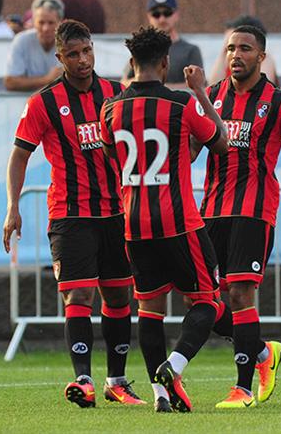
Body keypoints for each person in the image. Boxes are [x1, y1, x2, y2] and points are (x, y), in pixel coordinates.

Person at [3, 20, 145, 409]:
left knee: (119, 296)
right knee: (79, 294)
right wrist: (13, 207)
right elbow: (19, 157)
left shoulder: (117, 95)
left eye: (87, 52)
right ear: (59, 57)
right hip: (70, 214)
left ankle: (116, 380)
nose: (82, 61)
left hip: (117, 211)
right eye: (73, 55)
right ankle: (82, 379)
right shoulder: (44, 102)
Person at [193, 25, 281, 409]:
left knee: (239, 293)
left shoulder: (278, 102)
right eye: (231, 48)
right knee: (201, 300)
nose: (236, 55)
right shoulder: (213, 97)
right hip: (211, 211)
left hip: (254, 210)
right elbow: (191, 149)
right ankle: (264, 353)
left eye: (245, 48)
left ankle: (243, 388)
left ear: (261, 57)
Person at [100, 26, 228, 413]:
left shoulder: (111, 110)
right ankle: (174, 366)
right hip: (178, 222)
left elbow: (113, 158)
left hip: (134, 224)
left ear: (132, 63)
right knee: (207, 301)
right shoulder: (179, 106)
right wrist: (202, 95)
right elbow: (221, 143)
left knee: (150, 310)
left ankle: (160, 396)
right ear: (165, 62)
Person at [121, 0, 203, 90]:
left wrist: (160, 90)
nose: (162, 19)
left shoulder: (190, 50)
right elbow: (124, 83)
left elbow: (198, 84)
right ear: (149, 16)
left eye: (167, 13)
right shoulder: (143, 48)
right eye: (156, 14)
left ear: (176, 14)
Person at [4, 0, 64, 92]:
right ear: (34, 22)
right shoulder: (21, 40)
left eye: (51, 23)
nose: (46, 28)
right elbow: (10, 82)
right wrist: (47, 80)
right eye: (41, 22)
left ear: (60, 23)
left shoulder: (69, 43)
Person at [209, 15, 278, 85]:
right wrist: (223, 51)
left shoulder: (265, 59)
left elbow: (261, 88)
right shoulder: (230, 59)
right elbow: (213, 87)